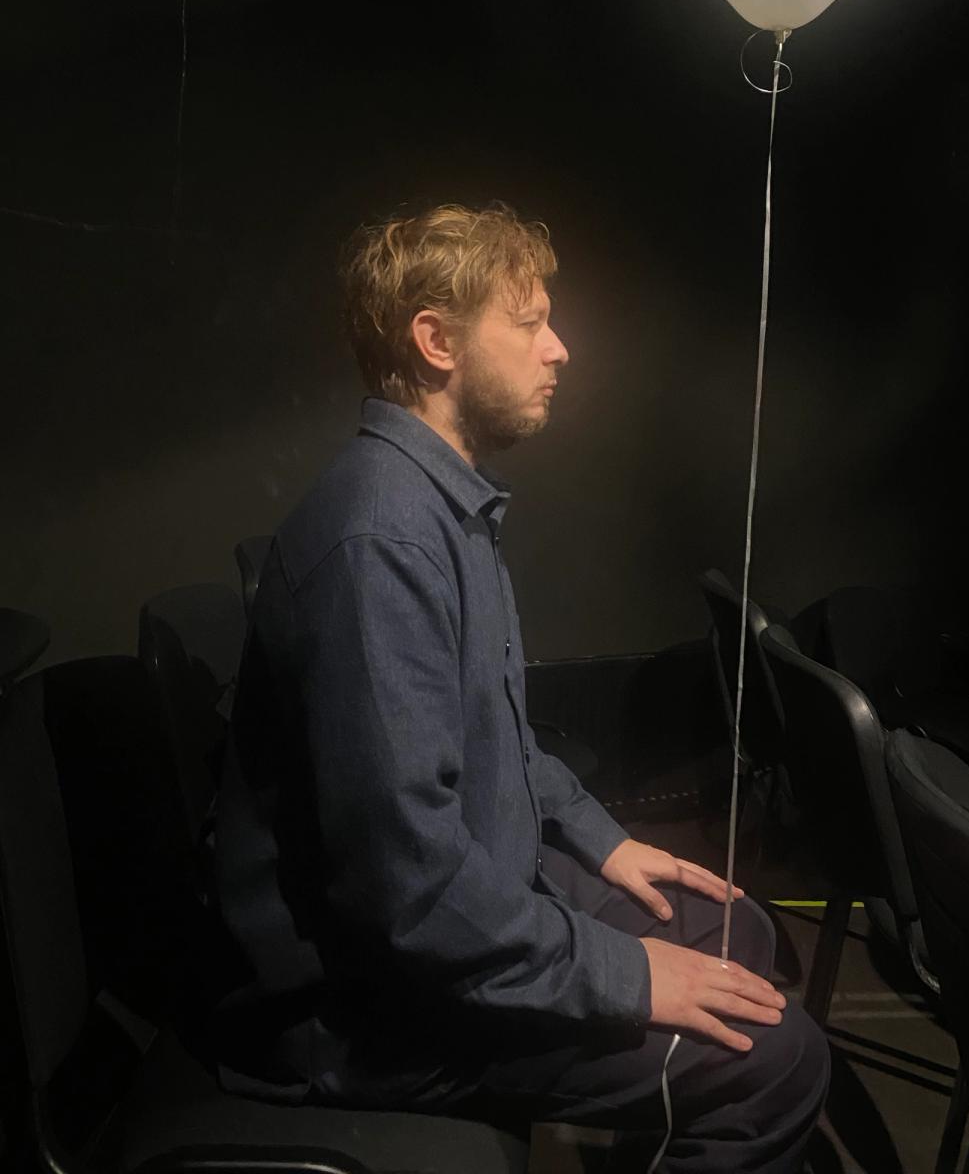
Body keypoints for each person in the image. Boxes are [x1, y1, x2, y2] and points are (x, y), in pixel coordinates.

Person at [213, 202, 829, 1171]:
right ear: (437, 342)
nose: (560, 348)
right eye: (531, 321)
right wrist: (622, 973)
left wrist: (604, 840)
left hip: (451, 921)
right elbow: (409, 891)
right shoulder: (380, 541)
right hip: (374, 1010)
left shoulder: (438, 505)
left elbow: (497, 734)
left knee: (734, 928)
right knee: (778, 1064)